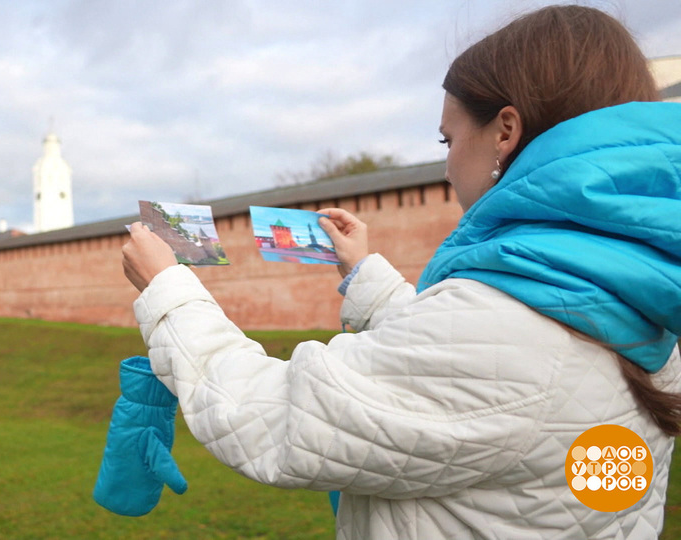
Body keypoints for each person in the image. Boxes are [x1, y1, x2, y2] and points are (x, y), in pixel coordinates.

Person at [121, 5, 681, 539]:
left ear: (505, 132)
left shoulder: (504, 335)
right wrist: (365, 274)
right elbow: (476, 377)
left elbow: (267, 416)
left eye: (449, 137)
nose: (444, 165)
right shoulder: (644, 310)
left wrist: (169, 291)